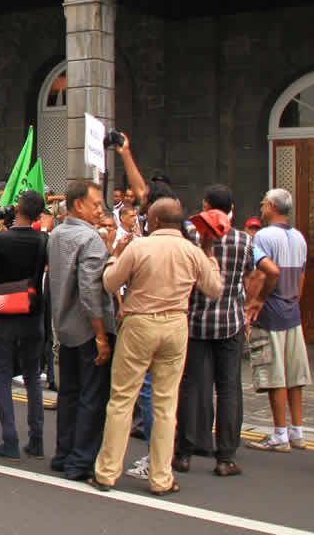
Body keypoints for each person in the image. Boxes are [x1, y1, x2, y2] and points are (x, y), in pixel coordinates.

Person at [90, 198, 222, 496]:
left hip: (140, 321)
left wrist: (113, 256)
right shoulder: (192, 251)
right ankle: (161, 477)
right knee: (166, 404)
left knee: (122, 399)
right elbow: (214, 289)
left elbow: (111, 283)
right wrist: (209, 253)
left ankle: (107, 472)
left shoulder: (139, 247)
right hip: (176, 323)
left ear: (157, 222)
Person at [175, 185, 276, 477]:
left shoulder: (190, 236)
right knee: (229, 388)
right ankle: (226, 457)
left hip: (194, 320)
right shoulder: (244, 241)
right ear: (231, 209)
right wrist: (258, 300)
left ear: (206, 206)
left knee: (191, 386)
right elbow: (272, 271)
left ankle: (184, 453)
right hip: (230, 321)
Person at [47, 179, 117, 480]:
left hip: (64, 325)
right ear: (78, 205)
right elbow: (90, 290)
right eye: (95, 204)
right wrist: (101, 334)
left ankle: (64, 454)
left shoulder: (57, 233)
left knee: (69, 393)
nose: (100, 210)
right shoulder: (90, 240)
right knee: (92, 396)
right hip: (88, 328)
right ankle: (81, 460)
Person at [244, 188, 312, 453]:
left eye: (264, 203)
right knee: (295, 376)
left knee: (276, 375)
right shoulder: (299, 238)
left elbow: (263, 273)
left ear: (272, 206)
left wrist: (254, 301)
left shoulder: (263, 235)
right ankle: (298, 431)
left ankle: (280, 433)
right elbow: (302, 276)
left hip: (270, 311)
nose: (262, 208)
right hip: (291, 308)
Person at [0, 189, 49, 459]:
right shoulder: (44, 240)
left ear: (18, 209)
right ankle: (36, 439)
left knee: (2, 373)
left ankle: (9, 438)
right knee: (32, 374)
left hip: (3, 307)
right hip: (32, 310)